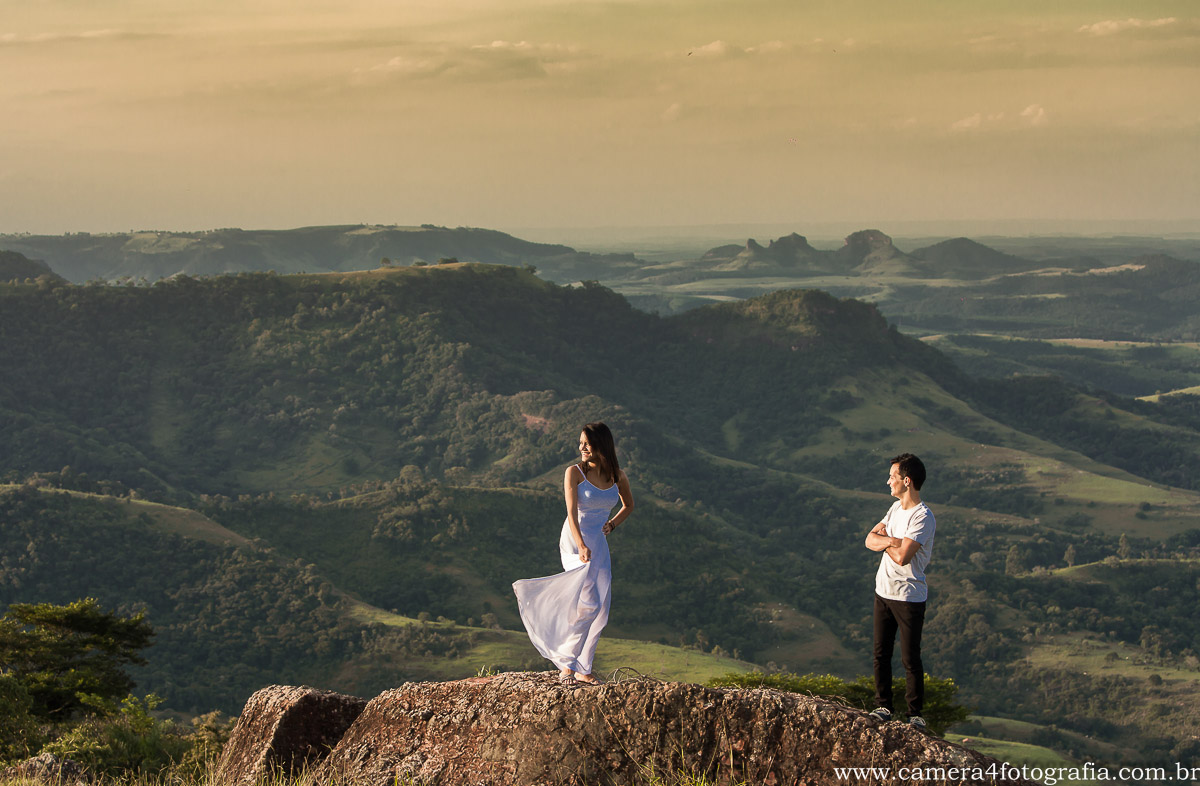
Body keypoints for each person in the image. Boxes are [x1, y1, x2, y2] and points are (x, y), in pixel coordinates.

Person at [512, 422, 634, 686]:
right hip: (574, 537)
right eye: (581, 443)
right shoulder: (574, 473)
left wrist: (612, 524)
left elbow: (629, 505)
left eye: (586, 444)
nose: (581, 448)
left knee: (601, 606)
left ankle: (583, 668)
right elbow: (570, 513)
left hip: (598, 540)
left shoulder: (617, 476)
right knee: (588, 601)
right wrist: (580, 544)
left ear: (601, 445)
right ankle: (567, 663)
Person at [864, 453, 935, 729]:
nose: (888, 482)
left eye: (892, 477)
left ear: (907, 481)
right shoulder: (894, 510)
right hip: (883, 590)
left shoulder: (923, 517)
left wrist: (887, 542)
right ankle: (882, 706)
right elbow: (870, 539)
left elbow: (903, 557)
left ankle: (914, 713)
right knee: (880, 653)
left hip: (908, 596)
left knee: (909, 657)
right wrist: (893, 540)